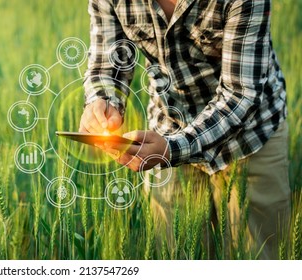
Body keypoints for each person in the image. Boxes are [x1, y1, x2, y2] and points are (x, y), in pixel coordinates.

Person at [79, 0, 290, 259]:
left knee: (257, 257)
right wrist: (102, 101)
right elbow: (107, 64)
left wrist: (173, 148)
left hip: (249, 136)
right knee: (177, 255)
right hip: (168, 127)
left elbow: (240, 94)